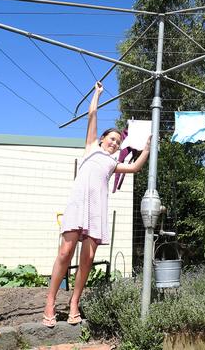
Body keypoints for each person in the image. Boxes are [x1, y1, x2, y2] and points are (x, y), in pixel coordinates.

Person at [42, 81, 150, 327]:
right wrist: (96, 93)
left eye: (117, 143)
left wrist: (146, 148)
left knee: (87, 260)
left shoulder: (112, 163)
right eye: (111, 139)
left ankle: (74, 303)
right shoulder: (90, 148)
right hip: (78, 206)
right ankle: (50, 301)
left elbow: (133, 167)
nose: (114, 143)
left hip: (96, 212)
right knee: (64, 253)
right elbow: (92, 114)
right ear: (102, 139)